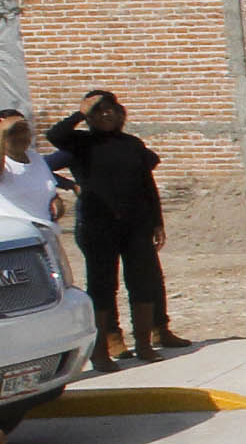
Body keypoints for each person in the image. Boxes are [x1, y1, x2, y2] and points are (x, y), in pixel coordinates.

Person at [47, 91, 182, 367]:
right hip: (98, 225)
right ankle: (102, 351)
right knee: (103, 286)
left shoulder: (132, 145)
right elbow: (55, 135)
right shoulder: (79, 144)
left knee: (143, 283)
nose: (105, 114)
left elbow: (147, 185)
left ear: (120, 114)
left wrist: (157, 221)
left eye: (110, 109)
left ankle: (144, 343)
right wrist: (79, 113)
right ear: (89, 117)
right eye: (97, 111)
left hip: (136, 224)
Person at [0, 109, 61, 228]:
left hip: (44, 234)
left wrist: (55, 200)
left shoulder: (35, 157)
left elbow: (47, 188)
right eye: (13, 132)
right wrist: (2, 129)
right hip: (13, 236)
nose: (21, 136)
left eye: (24, 130)